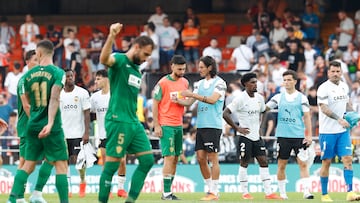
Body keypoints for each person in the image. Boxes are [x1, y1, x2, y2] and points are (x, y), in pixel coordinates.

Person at [98, 23, 154, 203]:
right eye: (145, 54)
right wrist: (111, 35)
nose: (146, 59)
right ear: (136, 47)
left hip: (134, 122)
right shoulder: (120, 60)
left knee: (147, 161)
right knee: (112, 164)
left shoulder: (137, 69)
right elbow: (104, 59)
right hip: (118, 120)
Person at [7, 39, 69, 203]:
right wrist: (49, 123)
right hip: (51, 126)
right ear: (52, 53)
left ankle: (13, 200)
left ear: (39, 53)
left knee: (27, 164)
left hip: (31, 125)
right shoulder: (58, 73)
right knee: (61, 164)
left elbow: (26, 103)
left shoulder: (26, 76)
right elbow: (54, 98)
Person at [223, 72, 281, 200]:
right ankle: (244, 193)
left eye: (256, 82)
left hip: (256, 136)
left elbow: (264, 110)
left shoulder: (259, 98)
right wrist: (237, 128)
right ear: (245, 84)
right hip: (245, 136)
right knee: (244, 162)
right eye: (253, 82)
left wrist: (261, 126)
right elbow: (225, 113)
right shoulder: (240, 99)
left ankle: (269, 193)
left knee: (264, 161)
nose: (256, 84)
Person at [178, 56, 226, 201]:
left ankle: (214, 191)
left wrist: (192, 94)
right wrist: (176, 100)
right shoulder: (198, 84)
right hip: (201, 125)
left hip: (213, 125)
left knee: (213, 158)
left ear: (210, 67)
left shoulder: (220, 83)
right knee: (200, 158)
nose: (199, 70)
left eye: (201, 67)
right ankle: (210, 189)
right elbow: (189, 103)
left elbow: (212, 100)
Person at [266, 70, 314, 200]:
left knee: (303, 164)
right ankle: (282, 193)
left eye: (289, 80)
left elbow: (307, 117)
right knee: (282, 165)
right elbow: (265, 108)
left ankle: (306, 192)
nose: (286, 82)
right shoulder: (278, 97)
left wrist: (309, 136)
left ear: (295, 81)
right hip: (283, 136)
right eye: (284, 80)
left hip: (298, 136)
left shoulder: (302, 98)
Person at [317, 61, 360, 202]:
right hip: (327, 132)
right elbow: (323, 108)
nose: (335, 74)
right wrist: (338, 119)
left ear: (341, 72)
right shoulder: (323, 88)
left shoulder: (344, 85)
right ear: (328, 72)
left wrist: (354, 116)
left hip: (343, 131)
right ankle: (324, 195)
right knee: (327, 162)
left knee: (347, 159)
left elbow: (347, 103)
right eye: (333, 71)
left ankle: (350, 193)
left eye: (338, 71)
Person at [16, 49, 53, 203]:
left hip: (41, 127)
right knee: (25, 163)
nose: (39, 64)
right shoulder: (24, 80)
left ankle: (36, 193)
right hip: (28, 128)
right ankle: (17, 197)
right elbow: (26, 106)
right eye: (35, 61)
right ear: (27, 62)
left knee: (52, 157)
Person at [152, 55, 189, 200]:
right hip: (166, 124)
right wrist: (156, 124)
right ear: (172, 66)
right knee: (169, 157)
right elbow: (155, 103)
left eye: (184, 69)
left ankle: (169, 192)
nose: (182, 71)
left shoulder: (185, 82)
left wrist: (182, 101)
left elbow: (186, 101)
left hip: (178, 124)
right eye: (179, 69)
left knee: (175, 158)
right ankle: (166, 193)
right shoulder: (163, 83)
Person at [90, 69, 128, 198]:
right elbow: (90, 114)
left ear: (106, 79)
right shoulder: (94, 97)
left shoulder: (117, 94)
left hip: (118, 133)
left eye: (98, 79)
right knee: (106, 162)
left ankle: (121, 188)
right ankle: (107, 188)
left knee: (122, 160)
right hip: (103, 134)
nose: (96, 81)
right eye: (96, 79)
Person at [60, 69, 90, 197]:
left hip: (78, 133)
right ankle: (68, 188)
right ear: (63, 79)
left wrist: (87, 133)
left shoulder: (82, 93)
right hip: (63, 134)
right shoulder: (59, 94)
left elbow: (87, 113)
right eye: (67, 76)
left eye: (71, 76)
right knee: (64, 161)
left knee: (79, 162)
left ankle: (82, 181)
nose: (70, 78)